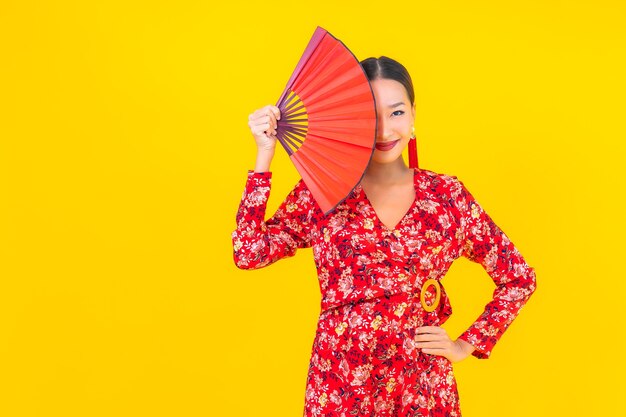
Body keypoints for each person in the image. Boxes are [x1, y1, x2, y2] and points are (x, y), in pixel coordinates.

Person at [232, 56, 537, 416]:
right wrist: (264, 154)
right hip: (341, 383)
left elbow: (519, 277)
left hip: (423, 387)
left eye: (396, 113)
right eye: (370, 116)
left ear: (413, 118)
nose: (384, 130)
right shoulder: (324, 191)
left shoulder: (446, 197)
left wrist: (466, 344)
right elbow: (249, 252)